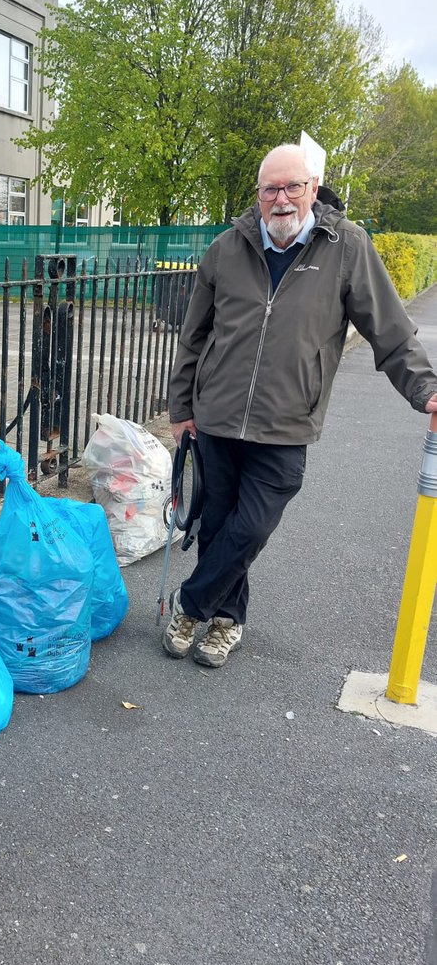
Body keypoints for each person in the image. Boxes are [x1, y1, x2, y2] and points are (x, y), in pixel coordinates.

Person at [163, 143, 437, 667]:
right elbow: (193, 337)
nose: (281, 199)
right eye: (271, 189)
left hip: (287, 424)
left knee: (252, 526)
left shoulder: (347, 247)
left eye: (293, 187)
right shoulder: (226, 249)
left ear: (313, 189)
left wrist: (424, 389)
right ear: (259, 196)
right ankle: (227, 622)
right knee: (219, 524)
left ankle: (192, 603)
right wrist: (181, 409)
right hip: (217, 417)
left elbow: (392, 333)